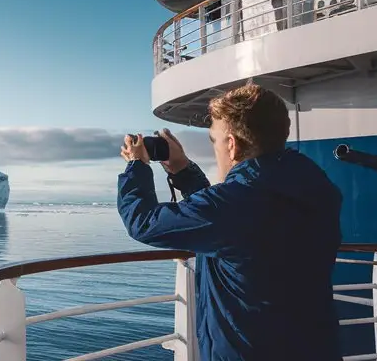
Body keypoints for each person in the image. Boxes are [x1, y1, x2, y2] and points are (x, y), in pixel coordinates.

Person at [117, 83, 343, 360]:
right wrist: (183, 171)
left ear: (232, 145)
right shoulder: (318, 189)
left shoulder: (233, 206)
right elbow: (228, 218)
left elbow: (143, 222)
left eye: (214, 140)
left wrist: (136, 166)